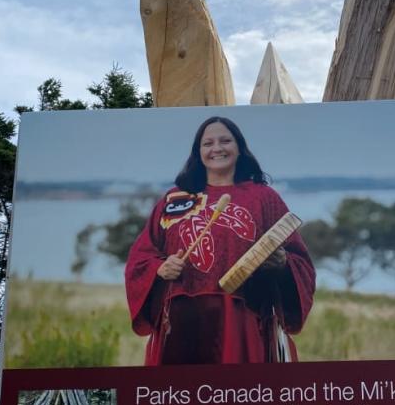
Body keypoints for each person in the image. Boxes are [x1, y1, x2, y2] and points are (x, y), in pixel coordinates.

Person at [124, 116, 315, 365]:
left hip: (243, 318)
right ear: (198, 151)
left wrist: (282, 262)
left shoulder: (263, 198)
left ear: (239, 148)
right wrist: (160, 267)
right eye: (208, 143)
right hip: (182, 320)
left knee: (238, 394)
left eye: (225, 141)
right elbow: (141, 257)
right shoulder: (174, 199)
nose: (217, 148)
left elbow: (300, 261)